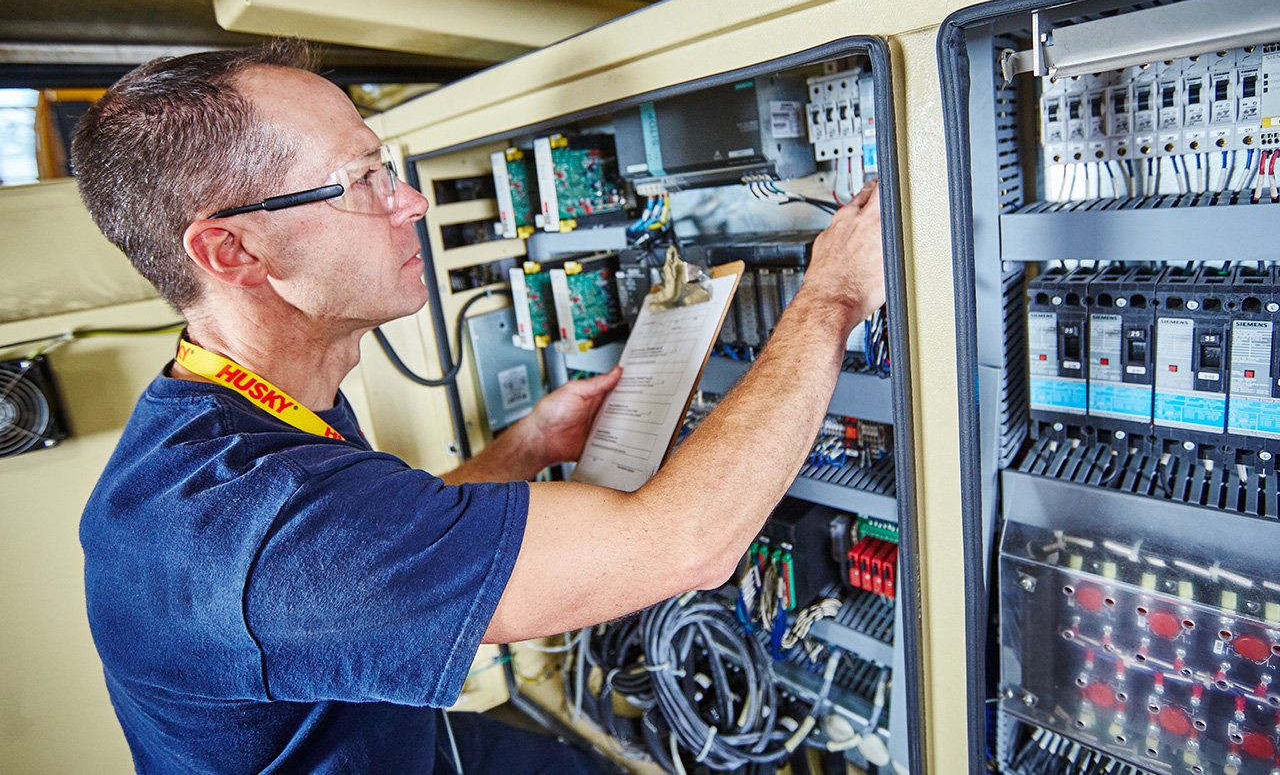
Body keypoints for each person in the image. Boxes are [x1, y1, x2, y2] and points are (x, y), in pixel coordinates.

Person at [72, 39, 884, 775]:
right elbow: (686, 549)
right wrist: (833, 296)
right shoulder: (255, 531)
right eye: (362, 180)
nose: (410, 202)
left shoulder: (223, 418)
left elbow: (388, 540)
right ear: (233, 251)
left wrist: (530, 443)